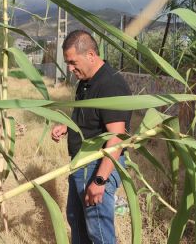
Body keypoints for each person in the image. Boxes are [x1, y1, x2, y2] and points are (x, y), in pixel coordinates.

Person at [51, 30, 131, 244]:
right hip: (82, 164)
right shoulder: (86, 81)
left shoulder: (110, 85)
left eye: (72, 62)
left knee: (99, 233)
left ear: (91, 55)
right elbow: (92, 118)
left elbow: (117, 137)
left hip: (98, 165)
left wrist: (99, 180)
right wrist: (67, 127)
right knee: (77, 222)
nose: (70, 68)